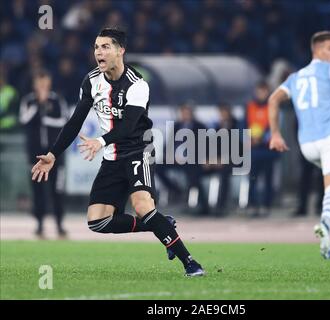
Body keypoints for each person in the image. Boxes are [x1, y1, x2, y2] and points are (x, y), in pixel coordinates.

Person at [31, 28, 205, 276]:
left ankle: (190, 263)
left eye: (105, 47)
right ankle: (160, 225)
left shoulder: (138, 85)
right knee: (97, 221)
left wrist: (100, 141)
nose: (98, 52)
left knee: (143, 206)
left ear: (120, 50)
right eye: (95, 47)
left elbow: (129, 126)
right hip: (112, 157)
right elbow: (74, 122)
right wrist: (53, 154)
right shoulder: (91, 81)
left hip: (138, 151)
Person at [268, 31, 330, 259]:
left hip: (307, 145)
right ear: (317, 50)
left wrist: (276, 134)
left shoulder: (296, 76)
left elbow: (273, 99)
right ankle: (326, 225)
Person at [20, 70, 68, 238]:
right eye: (39, 84)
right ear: (35, 85)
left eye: (45, 84)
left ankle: (60, 225)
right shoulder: (29, 101)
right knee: (38, 191)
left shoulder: (56, 100)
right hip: (35, 155)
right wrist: (38, 105)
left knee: (57, 191)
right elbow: (24, 119)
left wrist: (46, 118)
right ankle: (39, 225)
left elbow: (64, 121)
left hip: (56, 155)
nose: (42, 87)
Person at [245, 81, 279, 217]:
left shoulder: (272, 107)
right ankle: (252, 205)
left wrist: (263, 138)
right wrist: (250, 139)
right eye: (259, 91)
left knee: (268, 179)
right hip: (253, 150)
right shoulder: (250, 107)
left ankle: (266, 205)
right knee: (252, 179)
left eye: (264, 91)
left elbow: (276, 127)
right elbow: (243, 126)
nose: (261, 94)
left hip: (268, 150)